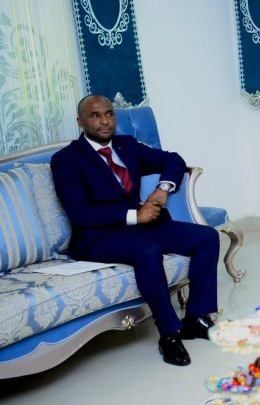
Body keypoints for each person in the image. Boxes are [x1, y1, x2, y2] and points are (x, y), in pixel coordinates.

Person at [51, 95, 220, 366]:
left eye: (109, 114)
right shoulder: (66, 160)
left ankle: (195, 319)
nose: (105, 121)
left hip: (142, 227)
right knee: (147, 251)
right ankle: (169, 334)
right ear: (80, 122)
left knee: (207, 237)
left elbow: (173, 160)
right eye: (95, 115)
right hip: (97, 237)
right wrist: (134, 215)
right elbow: (80, 214)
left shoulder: (127, 145)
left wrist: (163, 189)